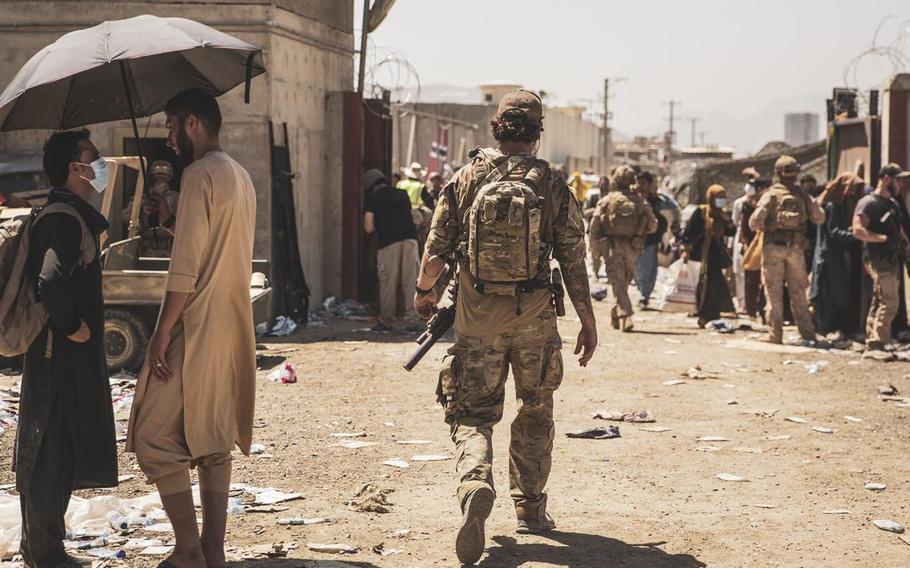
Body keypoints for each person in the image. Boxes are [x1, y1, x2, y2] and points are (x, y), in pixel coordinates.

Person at [413, 89, 597, 565]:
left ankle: (475, 483)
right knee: (535, 408)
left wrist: (424, 293)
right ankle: (531, 510)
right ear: (538, 133)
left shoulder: (466, 178)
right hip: (535, 318)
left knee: (473, 414)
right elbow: (574, 261)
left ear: (496, 129)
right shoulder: (553, 184)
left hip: (477, 321)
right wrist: (588, 320)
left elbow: (435, 253)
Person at [126, 89, 258, 568]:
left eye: (171, 125)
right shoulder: (241, 175)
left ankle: (187, 550)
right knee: (214, 434)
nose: (168, 136)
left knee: (153, 435)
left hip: (196, 322)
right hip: (232, 322)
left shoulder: (199, 173)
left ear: (194, 124)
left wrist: (161, 332)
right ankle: (213, 551)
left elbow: (185, 266)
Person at [16, 130, 118, 568]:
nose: (99, 165)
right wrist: (73, 326)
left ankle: (40, 546)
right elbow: (51, 282)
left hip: (59, 355)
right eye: (93, 158)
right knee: (47, 452)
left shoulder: (73, 214)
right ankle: (45, 552)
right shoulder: (62, 218)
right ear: (76, 168)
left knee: (56, 447)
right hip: (56, 354)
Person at [749, 155, 825, 344]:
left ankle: (776, 335)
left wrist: (768, 226)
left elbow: (754, 222)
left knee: (773, 292)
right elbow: (819, 217)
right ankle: (807, 333)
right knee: (798, 292)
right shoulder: (802, 195)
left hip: (773, 247)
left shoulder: (771, 194)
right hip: (796, 249)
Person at [852, 163, 910, 357]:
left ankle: (873, 339)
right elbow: (857, 230)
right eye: (897, 179)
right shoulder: (868, 202)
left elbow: (899, 231)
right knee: (890, 300)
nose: (900, 184)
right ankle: (879, 341)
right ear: (886, 178)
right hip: (878, 258)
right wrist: (881, 238)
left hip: (893, 258)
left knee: (881, 299)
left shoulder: (892, 204)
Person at [590, 164, 657, 331]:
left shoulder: (607, 200)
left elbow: (594, 227)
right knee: (623, 281)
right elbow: (653, 225)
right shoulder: (639, 201)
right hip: (633, 247)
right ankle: (626, 316)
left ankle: (617, 311)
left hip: (612, 247)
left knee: (620, 282)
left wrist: (595, 249)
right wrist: (641, 233)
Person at [363, 168, 420, 332]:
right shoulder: (402, 194)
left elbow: (368, 227)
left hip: (388, 244)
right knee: (410, 282)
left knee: (388, 283)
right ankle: (412, 320)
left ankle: (386, 320)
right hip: (410, 241)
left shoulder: (372, 198)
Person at [810, 173, 864, 340]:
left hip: (833, 256)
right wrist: (857, 235)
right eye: (852, 188)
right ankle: (829, 328)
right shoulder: (833, 206)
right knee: (833, 295)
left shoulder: (837, 204)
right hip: (830, 257)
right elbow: (834, 233)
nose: (853, 192)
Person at [682, 184, 736, 327]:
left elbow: (732, 232)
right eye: (718, 197)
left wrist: (727, 221)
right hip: (701, 254)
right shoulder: (701, 212)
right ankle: (703, 315)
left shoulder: (723, 214)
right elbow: (689, 232)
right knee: (702, 285)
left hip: (715, 255)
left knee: (714, 285)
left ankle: (712, 315)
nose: (721, 200)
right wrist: (686, 250)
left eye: (723, 197)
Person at [634, 171, 667, 308]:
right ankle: (642, 292)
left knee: (649, 268)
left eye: (644, 183)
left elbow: (663, 219)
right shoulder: (633, 198)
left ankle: (644, 295)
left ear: (650, 185)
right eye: (639, 182)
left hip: (651, 240)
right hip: (634, 239)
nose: (641, 186)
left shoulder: (656, 201)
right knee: (637, 269)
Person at [732, 168, 759, 310]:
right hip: (740, 239)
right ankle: (742, 302)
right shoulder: (739, 203)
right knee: (739, 271)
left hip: (754, 240)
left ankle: (750, 304)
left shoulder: (759, 203)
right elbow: (735, 223)